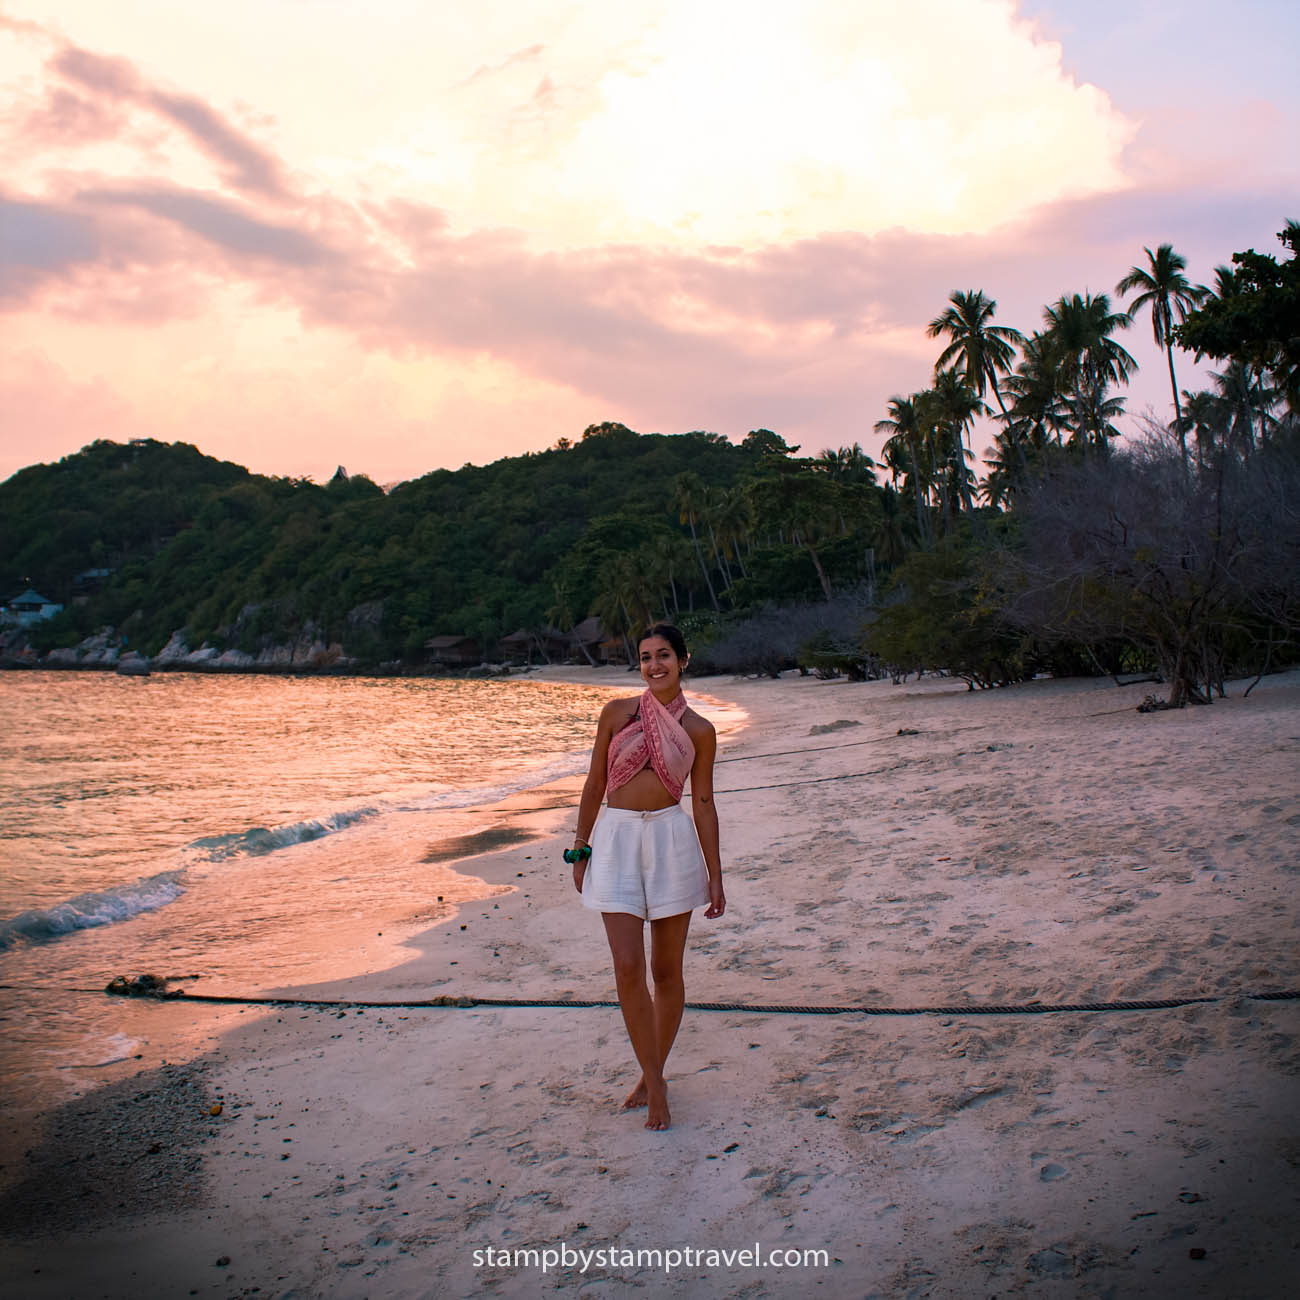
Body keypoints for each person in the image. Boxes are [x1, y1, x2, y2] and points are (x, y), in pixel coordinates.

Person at [570, 623, 725, 1130]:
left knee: (666, 971)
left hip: (670, 842)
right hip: (614, 840)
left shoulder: (699, 729)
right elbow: (595, 782)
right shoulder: (615, 714)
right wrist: (580, 846)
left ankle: (651, 1075)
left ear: (683, 660)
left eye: (664, 655)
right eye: (645, 657)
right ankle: (655, 1081)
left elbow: (702, 803)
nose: (654, 665)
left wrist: (715, 875)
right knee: (627, 966)